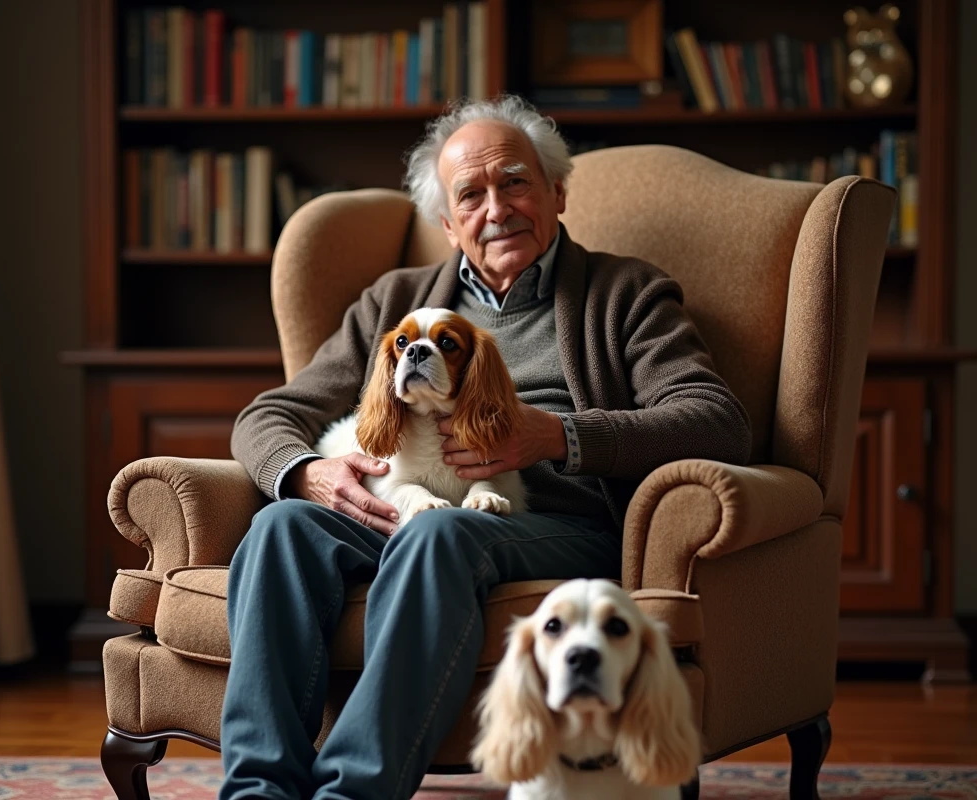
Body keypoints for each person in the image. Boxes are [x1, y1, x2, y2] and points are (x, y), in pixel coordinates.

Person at [221, 95, 751, 800]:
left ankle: (353, 792)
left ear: (557, 191)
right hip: (396, 512)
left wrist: (561, 435)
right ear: (447, 222)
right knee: (279, 527)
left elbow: (717, 421)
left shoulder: (627, 294)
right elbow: (271, 413)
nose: (496, 208)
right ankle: (257, 791)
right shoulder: (396, 305)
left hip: (553, 526)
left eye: (516, 182)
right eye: (470, 193)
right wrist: (309, 472)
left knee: (441, 534)